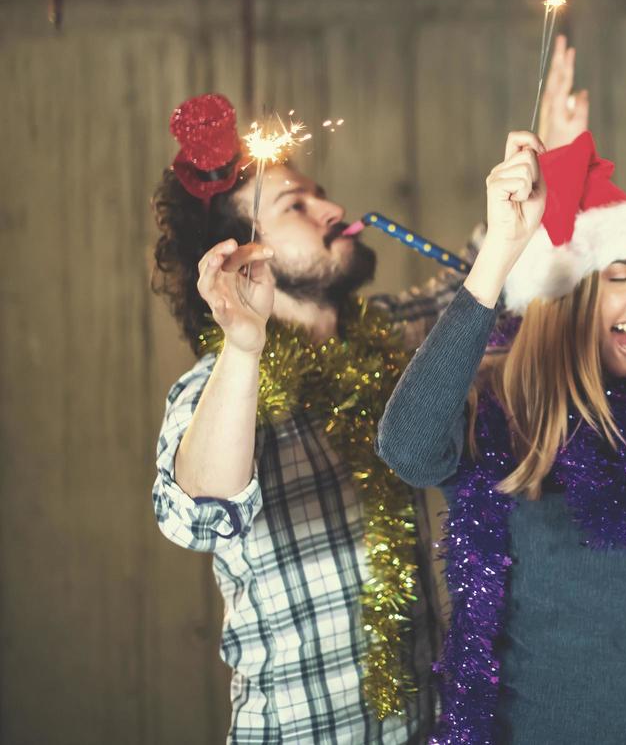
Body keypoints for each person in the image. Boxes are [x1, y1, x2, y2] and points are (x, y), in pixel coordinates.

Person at [377, 129, 626, 743]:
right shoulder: (493, 418)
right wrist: (501, 254)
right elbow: (407, 447)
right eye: (623, 275)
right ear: (563, 298)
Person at [150, 93, 477, 742]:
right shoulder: (218, 391)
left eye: (319, 194)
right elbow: (199, 514)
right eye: (295, 206)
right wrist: (244, 344)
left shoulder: (391, 338)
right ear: (241, 254)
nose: (335, 211)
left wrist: (550, 144)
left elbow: (483, 287)